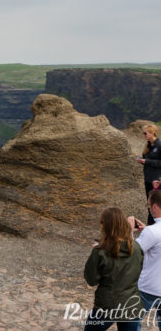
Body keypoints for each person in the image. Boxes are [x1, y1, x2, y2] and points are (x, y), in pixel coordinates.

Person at [83, 207, 144, 330]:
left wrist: (96, 252)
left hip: (107, 305)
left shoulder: (99, 251)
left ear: (104, 226)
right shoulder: (137, 248)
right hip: (131, 304)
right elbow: (138, 271)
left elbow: (91, 280)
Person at [128, 190, 161, 330]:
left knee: (131, 323)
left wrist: (129, 231)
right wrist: (148, 230)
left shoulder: (152, 232)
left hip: (149, 288)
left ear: (154, 206)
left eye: (148, 205)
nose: (148, 208)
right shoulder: (152, 231)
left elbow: (132, 253)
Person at [136, 124, 161, 225]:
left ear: (152, 133)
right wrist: (142, 161)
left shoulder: (159, 146)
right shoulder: (147, 146)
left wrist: (147, 161)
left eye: (145, 133)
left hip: (157, 180)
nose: (144, 135)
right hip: (148, 179)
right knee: (150, 203)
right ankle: (150, 225)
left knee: (157, 203)